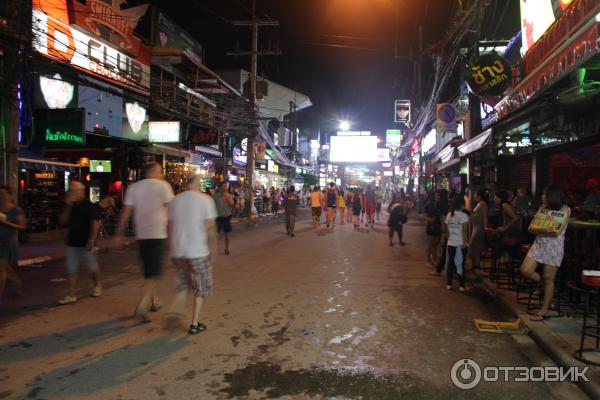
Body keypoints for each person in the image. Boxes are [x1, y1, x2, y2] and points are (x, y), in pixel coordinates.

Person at [114, 162, 174, 322]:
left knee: (149, 269)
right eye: (160, 171)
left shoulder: (134, 188)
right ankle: (142, 305)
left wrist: (118, 233)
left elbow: (126, 212)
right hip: (158, 234)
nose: (162, 174)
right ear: (153, 172)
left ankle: (154, 302)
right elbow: (172, 210)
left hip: (141, 235)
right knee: (153, 274)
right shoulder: (163, 186)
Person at [167, 176, 217, 334]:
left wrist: (171, 247)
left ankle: (176, 309)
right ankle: (195, 324)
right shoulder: (205, 200)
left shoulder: (175, 200)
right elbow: (210, 226)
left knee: (183, 283)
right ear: (197, 184)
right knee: (200, 287)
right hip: (198, 252)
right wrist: (213, 248)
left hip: (178, 251)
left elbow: (170, 226)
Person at [520, 185, 571, 320]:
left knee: (549, 278)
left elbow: (556, 231)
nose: (542, 197)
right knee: (525, 270)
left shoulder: (565, 209)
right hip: (539, 245)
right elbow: (531, 228)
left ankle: (544, 310)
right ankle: (548, 289)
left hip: (554, 248)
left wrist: (541, 229)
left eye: (544, 195)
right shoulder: (542, 209)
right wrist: (543, 229)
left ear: (552, 197)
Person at [57, 182, 102, 305]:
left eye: (74, 190)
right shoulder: (70, 206)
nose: (71, 193)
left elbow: (95, 223)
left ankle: (97, 285)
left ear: (81, 191)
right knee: (72, 268)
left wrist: (91, 240)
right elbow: (62, 221)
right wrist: (68, 206)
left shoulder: (89, 205)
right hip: (72, 242)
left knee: (91, 267)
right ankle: (71, 294)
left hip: (87, 242)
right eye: (70, 191)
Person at [0, 186, 25, 300]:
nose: (1, 197)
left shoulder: (16, 210)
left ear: (9, 195)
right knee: (6, 268)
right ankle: (17, 283)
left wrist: (7, 223)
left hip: (8, 242)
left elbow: (22, 227)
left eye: (3, 194)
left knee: (2, 268)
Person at [444, 196, 470, 291]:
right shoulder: (464, 216)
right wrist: (464, 242)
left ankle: (449, 284)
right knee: (461, 264)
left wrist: (449, 238)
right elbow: (464, 231)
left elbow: (446, 230)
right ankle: (461, 285)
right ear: (462, 205)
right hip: (460, 243)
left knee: (451, 263)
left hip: (451, 243)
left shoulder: (449, 215)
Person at [469, 190, 488, 270]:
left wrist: (485, 227)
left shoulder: (483, 204)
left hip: (479, 227)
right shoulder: (478, 204)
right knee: (475, 245)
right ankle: (475, 263)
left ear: (479, 195)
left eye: (475, 194)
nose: (474, 196)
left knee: (474, 244)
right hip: (475, 226)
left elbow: (485, 216)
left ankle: (475, 263)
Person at [213, 181, 234, 255]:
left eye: (226, 185)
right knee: (216, 234)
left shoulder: (229, 195)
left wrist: (228, 201)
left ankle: (227, 248)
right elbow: (212, 205)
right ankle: (214, 249)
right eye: (224, 185)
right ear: (220, 187)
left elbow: (232, 206)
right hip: (218, 216)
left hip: (226, 216)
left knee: (227, 234)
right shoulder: (215, 195)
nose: (225, 187)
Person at [425, 191, 443, 267]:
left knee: (436, 243)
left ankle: (434, 258)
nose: (438, 197)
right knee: (430, 244)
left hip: (438, 225)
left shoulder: (440, 205)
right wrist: (430, 219)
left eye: (439, 195)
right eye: (436, 195)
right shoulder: (429, 204)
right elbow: (425, 215)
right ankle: (428, 260)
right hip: (431, 226)